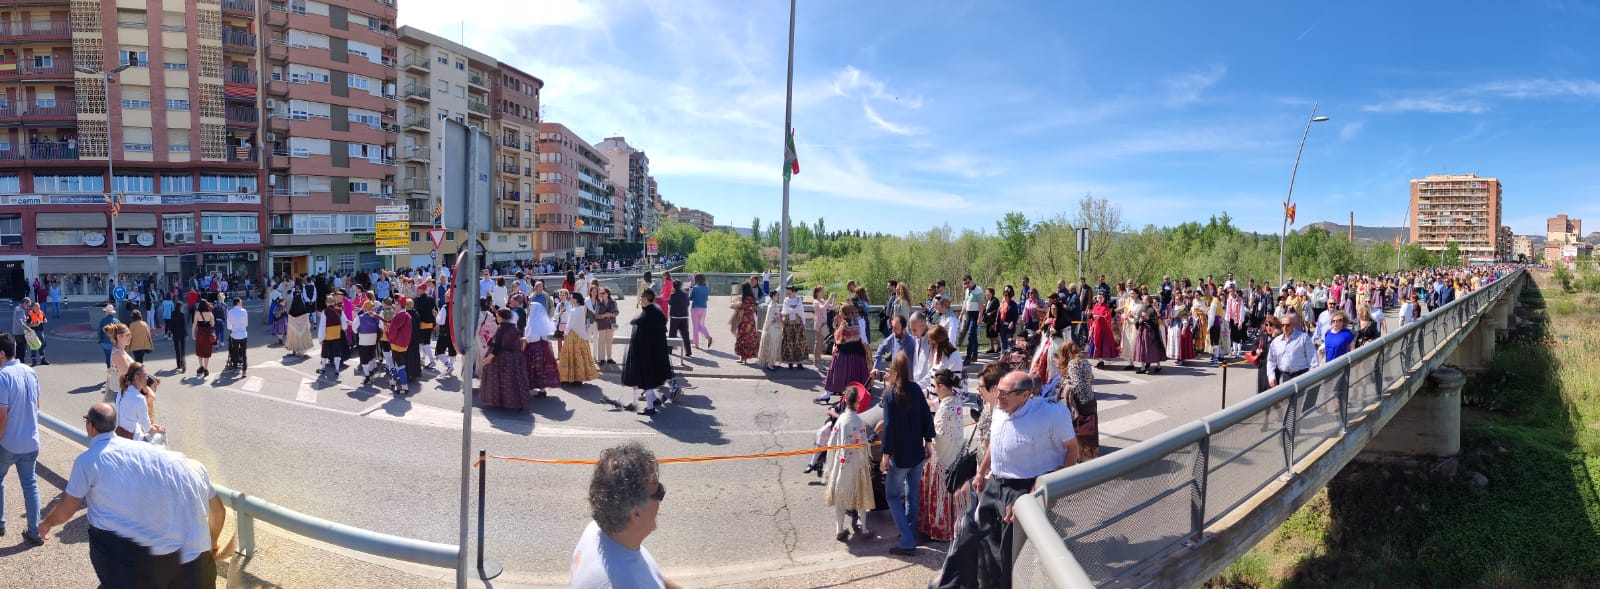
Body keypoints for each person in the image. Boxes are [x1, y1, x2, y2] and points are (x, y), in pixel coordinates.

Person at [37, 403, 224, 588]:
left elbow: (67, 509)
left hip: (139, 564)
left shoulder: (88, 460)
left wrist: (46, 524)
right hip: (198, 567)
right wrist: (212, 543)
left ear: (90, 426)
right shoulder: (148, 453)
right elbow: (219, 511)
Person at [932, 372, 1079, 589]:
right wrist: (981, 472)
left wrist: (1051, 488)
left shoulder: (1051, 414)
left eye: (1004, 392)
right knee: (969, 535)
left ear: (1025, 395)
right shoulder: (1000, 408)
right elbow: (996, 440)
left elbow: (1072, 449)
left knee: (1007, 552)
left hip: (1025, 487)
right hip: (995, 483)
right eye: (997, 390)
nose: (997, 396)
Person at [570, 442, 681, 589]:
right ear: (636, 514)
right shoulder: (623, 583)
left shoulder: (597, 531)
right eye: (658, 491)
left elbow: (651, 575)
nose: (661, 495)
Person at [876, 352, 935, 556]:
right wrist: (928, 441)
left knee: (892, 495)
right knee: (912, 494)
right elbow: (927, 416)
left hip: (900, 456)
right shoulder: (916, 389)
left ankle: (907, 540)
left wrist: (885, 454)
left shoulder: (891, 393)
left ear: (893, 370)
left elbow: (889, 427)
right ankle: (909, 533)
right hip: (917, 453)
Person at [0, 333, 44, 545]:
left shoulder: (3, 376)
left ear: (1, 353)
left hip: (9, 441)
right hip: (31, 440)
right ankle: (35, 530)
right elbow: (38, 405)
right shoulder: (31, 372)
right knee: (30, 484)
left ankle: (0, 523)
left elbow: (2, 415)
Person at [918, 368, 968, 543]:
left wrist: (926, 439)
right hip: (956, 455)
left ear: (940, 386)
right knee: (954, 492)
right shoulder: (956, 402)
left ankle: (941, 529)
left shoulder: (945, 409)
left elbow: (938, 435)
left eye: (935, 386)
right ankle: (957, 526)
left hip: (943, 458)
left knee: (942, 494)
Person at [823, 382, 876, 542]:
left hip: (842, 463)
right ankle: (864, 529)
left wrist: (832, 461)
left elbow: (832, 442)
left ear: (845, 401)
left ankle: (839, 529)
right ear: (857, 402)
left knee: (840, 496)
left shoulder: (841, 420)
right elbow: (864, 444)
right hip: (857, 465)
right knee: (860, 496)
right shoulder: (858, 421)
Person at [621, 289, 674, 416]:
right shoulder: (656, 311)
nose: (639, 299)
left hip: (646, 353)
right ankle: (656, 399)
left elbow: (642, 336)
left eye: (641, 297)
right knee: (649, 380)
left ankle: (650, 408)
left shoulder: (646, 315)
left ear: (646, 299)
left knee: (646, 380)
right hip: (656, 352)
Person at [1050, 341, 1100, 460]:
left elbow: (1077, 384)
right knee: (1090, 428)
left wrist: (1066, 384)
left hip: (1079, 400)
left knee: (1078, 427)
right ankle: (1090, 454)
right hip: (1090, 398)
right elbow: (1091, 378)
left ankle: (1080, 455)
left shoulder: (1073, 363)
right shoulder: (1085, 361)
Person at [480, 309, 530, 410]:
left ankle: (501, 402)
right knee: (514, 380)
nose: (495, 318)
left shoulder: (501, 328)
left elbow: (498, 346)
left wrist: (489, 358)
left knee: (500, 380)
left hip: (502, 358)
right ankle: (515, 401)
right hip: (516, 358)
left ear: (501, 317)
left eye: (497, 316)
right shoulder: (514, 328)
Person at [823, 305, 870, 396]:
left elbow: (840, 339)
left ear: (845, 314)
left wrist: (835, 345)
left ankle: (829, 392)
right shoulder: (857, 323)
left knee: (836, 371)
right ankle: (857, 393)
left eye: (840, 312)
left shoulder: (844, 324)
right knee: (854, 374)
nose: (839, 313)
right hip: (857, 352)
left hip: (844, 352)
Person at [114, 362, 165, 443]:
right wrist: (158, 430)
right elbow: (147, 429)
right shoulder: (139, 398)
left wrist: (152, 427)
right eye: (145, 375)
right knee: (162, 435)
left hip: (118, 434)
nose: (147, 378)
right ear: (136, 377)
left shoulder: (122, 391)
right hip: (133, 440)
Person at [522, 297, 561, 397]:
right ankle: (542, 389)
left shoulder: (533, 322)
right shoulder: (540, 320)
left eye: (530, 308)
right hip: (543, 348)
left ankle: (530, 387)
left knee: (532, 368)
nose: (529, 310)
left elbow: (531, 337)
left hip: (533, 348)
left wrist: (523, 340)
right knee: (541, 369)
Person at [559, 292, 600, 385]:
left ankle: (568, 377)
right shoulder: (582, 308)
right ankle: (579, 378)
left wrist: (565, 333)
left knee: (569, 357)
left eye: (572, 298)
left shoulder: (575, 310)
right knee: (580, 357)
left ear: (575, 299)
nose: (570, 299)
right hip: (581, 335)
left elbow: (570, 324)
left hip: (572, 336)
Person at [385, 297, 414, 393]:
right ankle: (393, 382)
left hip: (396, 344)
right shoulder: (408, 315)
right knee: (398, 364)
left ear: (400, 306)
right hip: (404, 344)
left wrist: (387, 332)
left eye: (396, 305)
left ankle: (404, 387)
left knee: (400, 365)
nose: (394, 306)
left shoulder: (397, 317)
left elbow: (393, 332)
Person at [1086, 293, 1119, 368]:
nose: (1099, 299)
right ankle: (1099, 361)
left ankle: (1101, 361)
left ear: (1104, 298)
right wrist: (1090, 315)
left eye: (1101, 298)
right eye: (1098, 298)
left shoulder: (1105, 307)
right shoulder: (1096, 306)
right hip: (1095, 328)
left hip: (1102, 330)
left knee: (1101, 345)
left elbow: (1107, 317)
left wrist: (1100, 317)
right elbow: (1092, 316)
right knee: (1096, 345)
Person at [731, 283, 760, 363]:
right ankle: (744, 358)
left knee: (742, 338)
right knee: (749, 338)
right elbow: (753, 309)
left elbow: (740, 306)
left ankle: (743, 359)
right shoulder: (752, 298)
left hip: (744, 321)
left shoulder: (746, 299)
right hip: (751, 321)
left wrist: (735, 305)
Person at [593, 288, 620, 366]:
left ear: (607, 294)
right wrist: (603, 315)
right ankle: (601, 359)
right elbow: (596, 316)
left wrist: (611, 314)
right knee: (601, 342)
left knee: (609, 342)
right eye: (600, 293)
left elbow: (617, 312)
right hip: (602, 324)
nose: (601, 295)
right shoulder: (599, 303)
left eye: (603, 293)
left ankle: (609, 358)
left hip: (611, 324)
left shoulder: (613, 302)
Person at [810, 287, 835, 369]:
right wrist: (829, 298)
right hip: (819, 325)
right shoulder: (816, 302)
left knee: (821, 343)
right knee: (818, 343)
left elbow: (831, 307)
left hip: (823, 325)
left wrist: (833, 299)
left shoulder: (823, 300)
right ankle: (816, 361)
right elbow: (822, 308)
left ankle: (819, 360)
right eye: (821, 291)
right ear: (817, 293)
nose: (823, 292)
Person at [666, 280, 692, 358]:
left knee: (672, 335)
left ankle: (669, 350)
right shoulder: (685, 294)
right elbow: (688, 304)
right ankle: (688, 351)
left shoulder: (673, 295)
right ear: (681, 285)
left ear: (673, 286)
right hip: (684, 316)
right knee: (685, 335)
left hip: (675, 317)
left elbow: (670, 302)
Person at [689, 274, 713, 350]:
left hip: (695, 308)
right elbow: (706, 298)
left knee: (695, 327)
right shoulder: (706, 288)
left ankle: (696, 344)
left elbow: (690, 298)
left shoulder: (695, 288)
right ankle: (708, 337)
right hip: (704, 308)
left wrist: (689, 291)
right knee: (701, 325)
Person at [225, 298, 248, 375]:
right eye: (241, 302)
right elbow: (246, 324)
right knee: (244, 352)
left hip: (234, 334)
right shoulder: (244, 311)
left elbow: (228, 326)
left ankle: (235, 366)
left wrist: (233, 327)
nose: (242, 303)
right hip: (243, 334)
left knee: (235, 351)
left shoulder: (230, 312)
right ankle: (244, 369)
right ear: (238, 303)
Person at [98, 304, 120, 368]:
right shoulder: (117, 321)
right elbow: (120, 331)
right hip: (115, 342)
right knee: (116, 359)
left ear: (107, 312)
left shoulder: (102, 321)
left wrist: (100, 340)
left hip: (106, 342)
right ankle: (115, 373)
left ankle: (109, 372)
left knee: (108, 358)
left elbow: (100, 332)